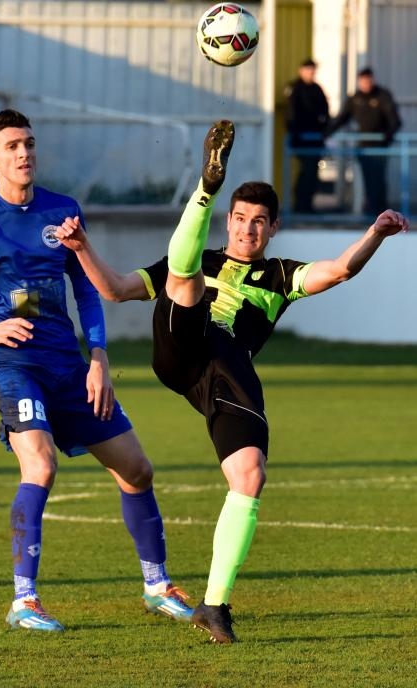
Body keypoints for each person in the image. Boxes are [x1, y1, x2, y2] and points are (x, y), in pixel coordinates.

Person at [55, 119, 408, 644]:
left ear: (273, 229)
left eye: (259, 222)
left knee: (250, 475)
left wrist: (375, 233)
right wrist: (82, 248)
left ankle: (214, 606)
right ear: (227, 221)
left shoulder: (280, 276)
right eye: (240, 219)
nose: (248, 229)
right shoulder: (206, 257)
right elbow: (114, 289)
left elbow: (337, 270)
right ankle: (206, 184)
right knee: (186, 276)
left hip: (225, 372)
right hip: (180, 345)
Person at [0, 108, 192, 632]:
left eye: (30, 143)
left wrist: (99, 358)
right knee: (40, 465)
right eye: (13, 146)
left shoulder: (63, 211)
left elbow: (87, 290)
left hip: (70, 366)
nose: (24, 153)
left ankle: (157, 585)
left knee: (137, 469)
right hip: (12, 364)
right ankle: (24, 600)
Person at [328, 66, 402, 216]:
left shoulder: (382, 96)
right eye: (363, 81)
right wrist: (326, 132)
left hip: (379, 147)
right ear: (359, 81)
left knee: (378, 180)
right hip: (363, 147)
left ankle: (381, 213)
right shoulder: (355, 99)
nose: (366, 83)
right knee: (368, 180)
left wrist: (387, 136)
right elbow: (342, 118)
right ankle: (372, 214)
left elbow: (395, 121)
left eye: (368, 80)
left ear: (372, 80)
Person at [284, 58, 330, 213]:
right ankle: (300, 206)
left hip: (315, 140)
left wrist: (324, 131)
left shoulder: (317, 89)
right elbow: (291, 113)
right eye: (308, 70)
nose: (311, 73)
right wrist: (295, 134)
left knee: (312, 172)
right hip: (301, 139)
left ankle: (307, 205)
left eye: (313, 71)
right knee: (306, 171)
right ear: (301, 70)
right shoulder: (295, 88)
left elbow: (325, 111)